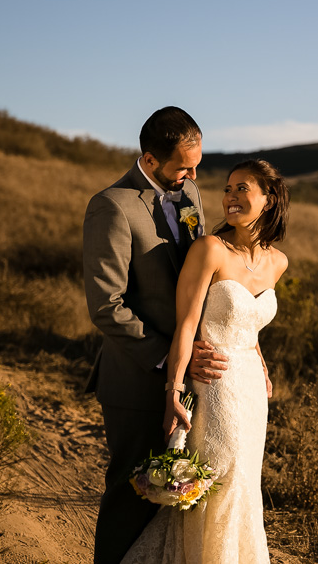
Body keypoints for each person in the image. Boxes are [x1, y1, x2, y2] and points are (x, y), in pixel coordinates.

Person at [120, 158, 289, 564]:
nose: (230, 197)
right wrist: (173, 392)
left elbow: (250, 322)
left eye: (242, 189)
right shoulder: (209, 249)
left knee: (245, 485)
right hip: (216, 387)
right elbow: (186, 326)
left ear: (268, 200)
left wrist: (261, 360)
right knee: (216, 486)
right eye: (228, 189)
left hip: (251, 391)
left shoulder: (278, 262)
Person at [84, 107, 225, 564]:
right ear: (148, 159)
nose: (193, 174)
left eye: (197, 164)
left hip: (191, 377)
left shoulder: (191, 196)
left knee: (176, 499)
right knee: (132, 493)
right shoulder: (112, 205)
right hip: (137, 376)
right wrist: (171, 359)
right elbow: (106, 305)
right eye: (183, 166)